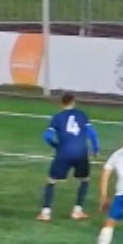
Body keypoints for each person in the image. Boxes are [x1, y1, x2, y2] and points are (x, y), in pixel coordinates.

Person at [39, 92, 99, 222]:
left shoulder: (57, 117)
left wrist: (56, 145)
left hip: (64, 153)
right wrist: (95, 149)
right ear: (73, 101)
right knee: (84, 180)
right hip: (81, 153)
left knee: (51, 181)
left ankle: (45, 213)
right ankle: (77, 211)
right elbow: (93, 134)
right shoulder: (82, 115)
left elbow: (47, 136)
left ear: (61, 102)